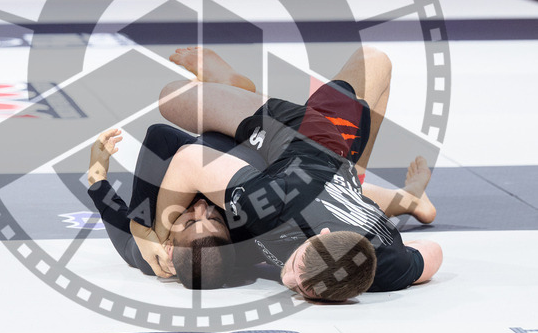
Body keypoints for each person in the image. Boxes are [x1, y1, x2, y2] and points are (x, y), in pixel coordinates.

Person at [151, 45, 442, 301]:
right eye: (294, 266)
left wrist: (393, 261)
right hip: (310, 140)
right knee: (170, 97)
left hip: (337, 191)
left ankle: (408, 200)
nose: (288, 280)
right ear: (320, 236)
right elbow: (188, 161)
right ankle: (233, 86)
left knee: (347, 190)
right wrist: (158, 234)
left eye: (301, 286)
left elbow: (432, 251)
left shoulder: (390, 266)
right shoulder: (271, 207)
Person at [86, 122, 265, 288]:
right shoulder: (250, 219)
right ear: (230, 236)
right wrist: (142, 227)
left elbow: (125, 243)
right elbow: (162, 137)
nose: (202, 207)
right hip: (247, 130)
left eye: (191, 222)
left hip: (206, 142)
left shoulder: (153, 255)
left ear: (169, 250)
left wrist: (96, 176)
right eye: (215, 219)